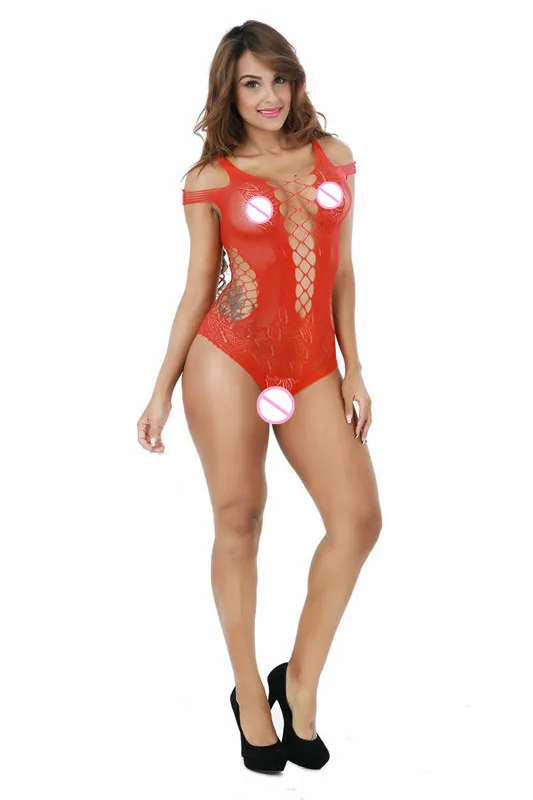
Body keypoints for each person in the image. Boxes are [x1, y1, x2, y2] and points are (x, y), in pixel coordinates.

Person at [137, 20, 382, 773]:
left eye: (279, 79)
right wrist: (160, 390)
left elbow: (341, 270)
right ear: (230, 92)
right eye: (252, 83)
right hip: (229, 359)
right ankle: (249, 694)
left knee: (358, 521)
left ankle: (297, 681)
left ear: (294, 82)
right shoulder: (210, 179)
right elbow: (196, 288)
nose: (269, 95)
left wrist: (353, 366)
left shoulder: (333, 156)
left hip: (310, 365)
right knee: (239, 520)